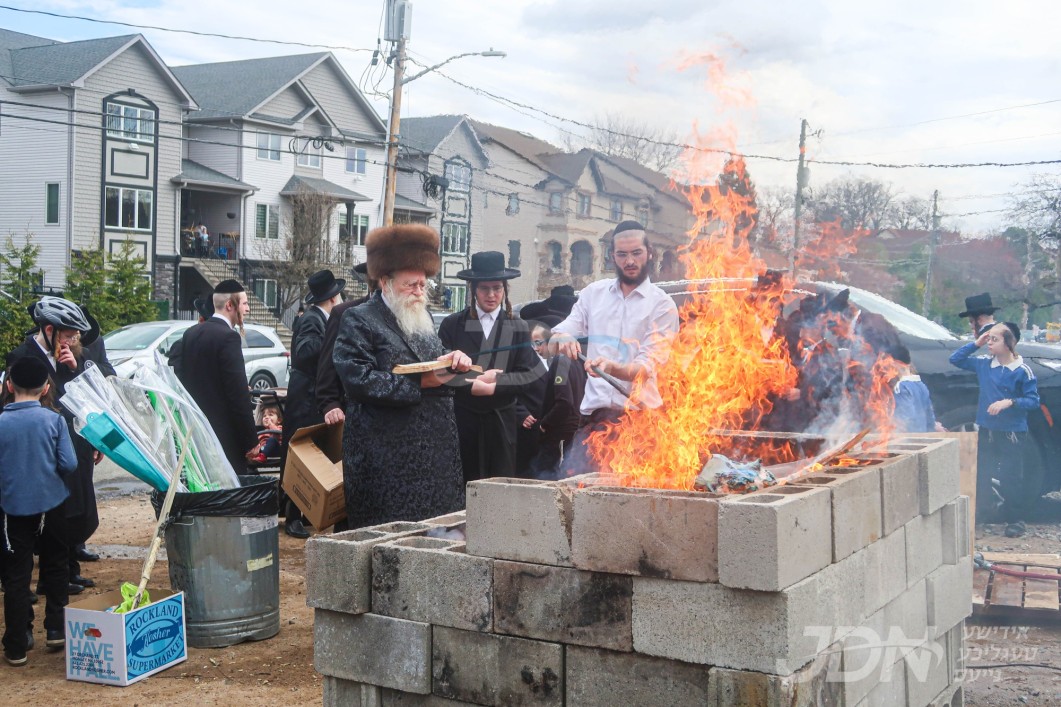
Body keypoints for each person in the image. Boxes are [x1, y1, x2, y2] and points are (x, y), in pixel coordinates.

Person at [333, 224, 472, 528]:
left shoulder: (420, 318)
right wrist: (419, 383)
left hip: (434, 457)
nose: (419, 292)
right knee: (390, 541)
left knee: (438, 538)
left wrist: (454, 361)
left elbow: (433, 361)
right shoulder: (358, 319)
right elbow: (357, 378)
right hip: (386, 458)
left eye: (423, 285)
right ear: (385, 281)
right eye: (411, 285)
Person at [549, 221, 679, 474]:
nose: (629, 261)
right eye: (622, 254)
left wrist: (612, 368)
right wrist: (561, 336)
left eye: (636, 253)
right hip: (594, 422)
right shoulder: (593, 294)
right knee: (572, 494)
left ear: (649, 253)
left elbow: (646, 368)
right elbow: (561, 331)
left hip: (639, 423)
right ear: (612, 257)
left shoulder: (663, 306)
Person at [6, 297, 100, 596]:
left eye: (75, 336)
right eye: (69, 335)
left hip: (74, 443)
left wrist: (73, 370)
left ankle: (65, 570)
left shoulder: (71, 357)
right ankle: (33, 583)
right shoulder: (22, 356)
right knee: (38, 520)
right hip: (40, 450)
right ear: (49, 330)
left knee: (74, 511)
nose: (74, 341)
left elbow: (86, 396)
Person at [0, 357, 77, 665]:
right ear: (46, 388)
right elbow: (69, 464)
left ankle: (17, 644)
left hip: (12, 508)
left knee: (16, 577)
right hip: (53, 504)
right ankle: (57, 629)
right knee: (56, 567)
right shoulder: (53, 420)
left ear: (8, 386)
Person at [438, 251, 541, 482]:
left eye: (497, 288)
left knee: (499, 488)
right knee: (464, 484)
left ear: (505, 289)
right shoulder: (452, 324)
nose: (491, 295)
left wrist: (496, 385)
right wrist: (471, 386)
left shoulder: (518, 326)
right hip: (463, 420)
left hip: (502, 422)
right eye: (485, 288)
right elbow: (440, 371)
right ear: (473, 289)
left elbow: (528, 376)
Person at [950, 322, 1039, 537]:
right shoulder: (984, 364)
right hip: (987, 429)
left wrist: (1010, 402)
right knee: (983, 472)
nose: (989, 343)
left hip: (1012, 432)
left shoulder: (1021, 371)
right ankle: (983, 513)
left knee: (1010, 476)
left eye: (994, 339)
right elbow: (956, 360)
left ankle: (1015, 519)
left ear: (1009, 343)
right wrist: (975, 343)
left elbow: (1033, 401)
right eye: (988, 338)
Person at [281, 269, 344, 539]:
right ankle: (293, 517)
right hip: (305, 397)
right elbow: (304, 351)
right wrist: (331, 339)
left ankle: (302, 512)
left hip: (309, 396)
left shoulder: (319, 318)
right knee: (302, 457)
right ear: (332, 298)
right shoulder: (312, 320)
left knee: (310, 454)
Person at [175, 279, 259, 475]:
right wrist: (251, 440)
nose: (247, 309)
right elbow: (237, 394)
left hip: (195, 432)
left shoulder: (191, 334)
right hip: (224, 437)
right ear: (230, 305)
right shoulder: (229, 337)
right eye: (245, 303)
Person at [525, 315, 587, 479]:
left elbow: (564, 402)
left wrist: (543, 425)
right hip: (573, 435)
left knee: (551, 483)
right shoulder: (578, 360)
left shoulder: (561, 361)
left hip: (559, 437)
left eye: (539, 343)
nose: (536, 349)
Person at [887, 345, 943, 434]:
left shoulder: (901, 387)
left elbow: (905, 417)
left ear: (895, 363)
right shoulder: (921, 385)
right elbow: (930, 417)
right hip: (922, 436)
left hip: (909, 439)